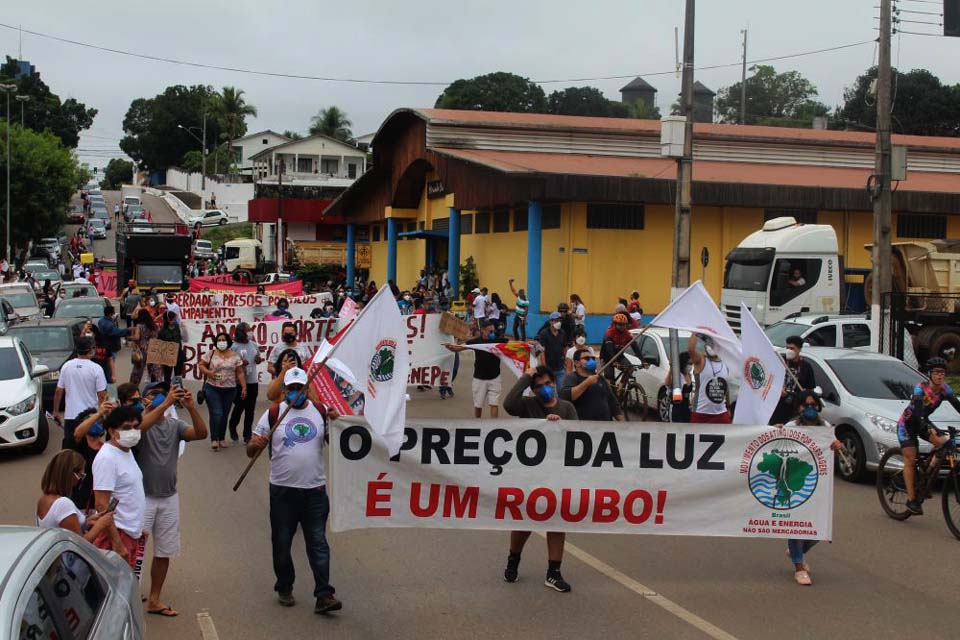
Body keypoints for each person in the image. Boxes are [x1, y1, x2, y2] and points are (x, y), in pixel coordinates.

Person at [247, 367, 342, 613]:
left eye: (301, 388)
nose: (297, 392)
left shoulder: (321, 412)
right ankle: (285, 586)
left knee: (318, 543)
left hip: (314, 491)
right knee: (281, 543)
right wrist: (255, 444)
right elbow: (251, 448)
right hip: (282, 492)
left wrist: (337, 422)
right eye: (292, 389)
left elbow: (339, 444)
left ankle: (324, 595)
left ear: (308, 388)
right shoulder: (273, 414)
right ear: (285, 390)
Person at [135, 382, 208, 617]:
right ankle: (130, 593)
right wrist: (164, 403)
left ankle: (154, 598)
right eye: (153, 394)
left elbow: (200, 433)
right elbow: (138, 430)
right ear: (144, 399)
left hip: (168, 497)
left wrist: (191, 407)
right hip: (142, 498)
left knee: (164, 551)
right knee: (134, 551)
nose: (160, 397)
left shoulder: (175, 425)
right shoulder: (137, 423)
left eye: (163, 394)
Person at [502, 366, 578, 592]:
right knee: (525, 521)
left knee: (557, 522)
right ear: (532, 390)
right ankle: (513, 560)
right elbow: (509, 404)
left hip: (557, 474)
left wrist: (560, 426)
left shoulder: (567, 407)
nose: (544, 389)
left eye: (547, 383)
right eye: (538, 387)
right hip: (531, 476)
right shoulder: (527, 405)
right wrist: (526, 377)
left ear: (554, 383)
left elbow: (578, 436)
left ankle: (554, 572)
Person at [780, 390, 842, 585]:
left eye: (813, 404)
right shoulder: (791, 426)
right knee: (796, 525)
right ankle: (799, 566)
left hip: (817, 482)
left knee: (817, 527)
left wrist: (836, 447)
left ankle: (797, 551)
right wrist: (776, 430)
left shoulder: (825, 427)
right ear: (798, 408)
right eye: (805, 405)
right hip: (793, 480)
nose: (809, 408)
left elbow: (833, 454)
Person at [896, 357, 957, 515]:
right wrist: (925, 424)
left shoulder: (945, 390)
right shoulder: (920, 388)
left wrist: (927, 425)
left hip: (923, 422)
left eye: (942, 373)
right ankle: (911, 500)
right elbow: (917, 410)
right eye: (936, 373)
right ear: (930, 374)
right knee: (910, 458)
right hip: (907, 425)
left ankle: (926, 476)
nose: (939, 376)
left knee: (944, 444)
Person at [92, 406, 147, 573]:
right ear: (112, 431)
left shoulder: (126, 451)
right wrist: (116, 542)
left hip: (131, 531)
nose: (133, 431)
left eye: (136, 427)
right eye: (126, 428)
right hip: (118, 534)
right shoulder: (107, 458)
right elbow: (102, 505)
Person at [36, 450, 114, 542]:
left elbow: (64, 526)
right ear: (70, 474)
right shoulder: (63, 504)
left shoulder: (43, 499)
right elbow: (80, 542)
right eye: (80, 475)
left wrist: (86, 521)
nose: (79, 481)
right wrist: (100, 525)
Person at [53, 336, 108, 450]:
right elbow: (102, 394)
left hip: (71, 416)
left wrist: (56, 411)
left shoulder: (66, 366)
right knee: (90, 450)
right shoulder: (96, 368)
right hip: (90, 417)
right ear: (91, 350)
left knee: (70, 449)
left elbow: (59, 390)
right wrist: (102, 414)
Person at [445, 319, 505, 418]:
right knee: (478, 405)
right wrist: (450, 347)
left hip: (495, 378)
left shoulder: (497, 340)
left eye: (493, 331)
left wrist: (528, 344)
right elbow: (459, 347)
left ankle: (494, 426)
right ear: (483, 331)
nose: (493, 334)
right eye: (490, 331)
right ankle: (477, 425)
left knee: (494, 404)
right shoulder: (476, 342)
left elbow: (515, 344)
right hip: (479, 379)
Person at [198, 331, 246, 450]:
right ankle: (214, 439)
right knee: (217, 413)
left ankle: (221, 438)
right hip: (212, 388)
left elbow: (239, 372)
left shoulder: (235, 356)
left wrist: (244, 387)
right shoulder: (211, 354)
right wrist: (208, 372)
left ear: (228, 342)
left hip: (230, 390)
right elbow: (201, 365)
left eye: (223, 340)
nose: (221, 342)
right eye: (219, 340)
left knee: (224, 415)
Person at [560, 348, 624, 421]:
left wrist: (623, 424)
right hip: (584, 427)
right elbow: (566, 396)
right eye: (587, 358)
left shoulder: (600, 378)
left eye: (592, 358)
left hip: (605, 426)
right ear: (577, 363)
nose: (591, 361)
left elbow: (612, 402)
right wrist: (587, 383)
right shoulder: (571, 378)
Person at [70, 404, 112, 510]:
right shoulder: (79, 446)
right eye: (92, 420)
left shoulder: (107, 447)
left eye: (99, 420)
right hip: (82, 503)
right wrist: (99, 413)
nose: (96, 422)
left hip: (103, 500)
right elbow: (77, 433)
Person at [770, 336, 817, 425]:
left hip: (795, 408)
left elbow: (810, 390)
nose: (789, 350)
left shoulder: (806, 367)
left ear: (799, 350)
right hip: (777, 407)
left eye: (792, 348)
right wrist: (778, 389)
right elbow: (769, 380)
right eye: (787, 348)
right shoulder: (780, 361)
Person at [229, 322, 262, 443]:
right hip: (238, 383)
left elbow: (258, 358)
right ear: (241, 332)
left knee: (250, 409)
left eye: (250, 330)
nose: (250, 332)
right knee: (239, 407)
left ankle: (247, 435)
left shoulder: (253, 344)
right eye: (248, 330)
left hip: (252, 381)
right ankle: (233, 426)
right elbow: (229, 364)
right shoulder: (234, 347)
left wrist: (258, 360)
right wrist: (239, 363)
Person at [688, 334, 732, 423]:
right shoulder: (701, 360)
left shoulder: (725, 363)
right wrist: (696, 331)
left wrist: (728, 407)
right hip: (701, 413)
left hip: (721, 413)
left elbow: (725, 388)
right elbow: (691, 349)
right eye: (709, 344)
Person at [599, 313, 641, 382]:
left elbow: (635, 347)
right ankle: (610, 389)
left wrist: (642, 360)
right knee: (610, 378)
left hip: (619, 356)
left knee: (630, 369)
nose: (622, 326)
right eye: (620, 324)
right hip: (607, 357)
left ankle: (621, 387)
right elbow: (609, 349)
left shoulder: (627, 333)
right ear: (615, 324)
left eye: (624, 324)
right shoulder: (609, 333)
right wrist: (614, 362)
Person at [130, 308, 163, 385]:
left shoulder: (139, 326)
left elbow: (137, 337)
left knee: (138, 370)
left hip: (142, 349)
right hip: (153, 348)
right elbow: (156, 335)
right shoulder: (153, 325)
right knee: (154, 369)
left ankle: (133, 387)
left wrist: (130, 337)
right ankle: (155, 385)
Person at [536, 311, 568, 388]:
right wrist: (544, 367)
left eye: (560, 320)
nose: (559, 322)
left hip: (560, 368)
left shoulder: (562, 333)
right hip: (549, 368)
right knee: (549, 391)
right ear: (551, 321)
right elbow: (542, 351)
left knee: (562, 390)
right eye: (556, 320)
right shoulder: (544, 334)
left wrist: (565, 361)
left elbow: (565, 348)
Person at [157, 311, 184, 384]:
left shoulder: (178, 327)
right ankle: (167, 390)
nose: (176, 321)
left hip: (179, 354)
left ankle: (178, 389)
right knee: (167, 375)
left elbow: (184, 338)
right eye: (174, 319)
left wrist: (183, 329)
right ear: (168, 320)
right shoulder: (162, 331)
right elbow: (160, 345)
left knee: (178, 375)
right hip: (168, 355)